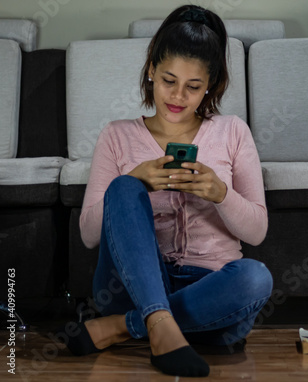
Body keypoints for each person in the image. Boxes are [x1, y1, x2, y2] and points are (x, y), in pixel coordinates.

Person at [56, 4, 272, 378]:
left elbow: (256, 231)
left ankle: (127, 327)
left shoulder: (233, 131)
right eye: (169, 80)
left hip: (210, 288)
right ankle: (158, 320)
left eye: (194, 86)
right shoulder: (117, 135)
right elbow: (89, 236)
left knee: (256, 278)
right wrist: (137, 179)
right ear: (151, 70)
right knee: (123, 187)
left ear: (210, 85)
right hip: (133, 285)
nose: (178, 97)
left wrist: (221, 193)